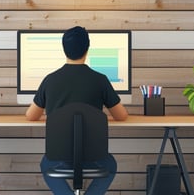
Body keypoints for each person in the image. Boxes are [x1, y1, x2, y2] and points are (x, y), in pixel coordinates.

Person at [25, 26, 128, 195]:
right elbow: (121, 116)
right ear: (87, 49)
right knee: (110, 165)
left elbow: (31, 116)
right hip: (93, 157)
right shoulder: (100, 80)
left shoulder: (50, 80)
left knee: (46, 164)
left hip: (58, 157)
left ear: (63, 49)